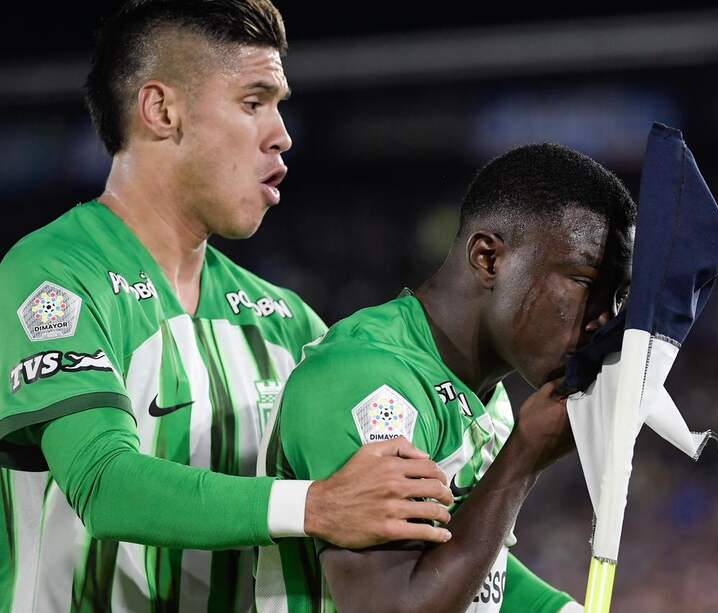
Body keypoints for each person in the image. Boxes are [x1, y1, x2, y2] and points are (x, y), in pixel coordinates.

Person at [0, 2, 454, 611]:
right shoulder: (53, 274)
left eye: (279, 104)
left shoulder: (287, 322)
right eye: (253, 102)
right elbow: (104, 483)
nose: (282, 134)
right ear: (162, 111)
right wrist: (316, 505)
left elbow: (410, 519)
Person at [255, 143, 636, 612]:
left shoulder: (485, 395)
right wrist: (524, 459)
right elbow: (392, 607)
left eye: (618, 297)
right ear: (488, 258)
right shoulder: (368, 378)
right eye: (585, 282)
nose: (605, 320)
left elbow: (477, 572)